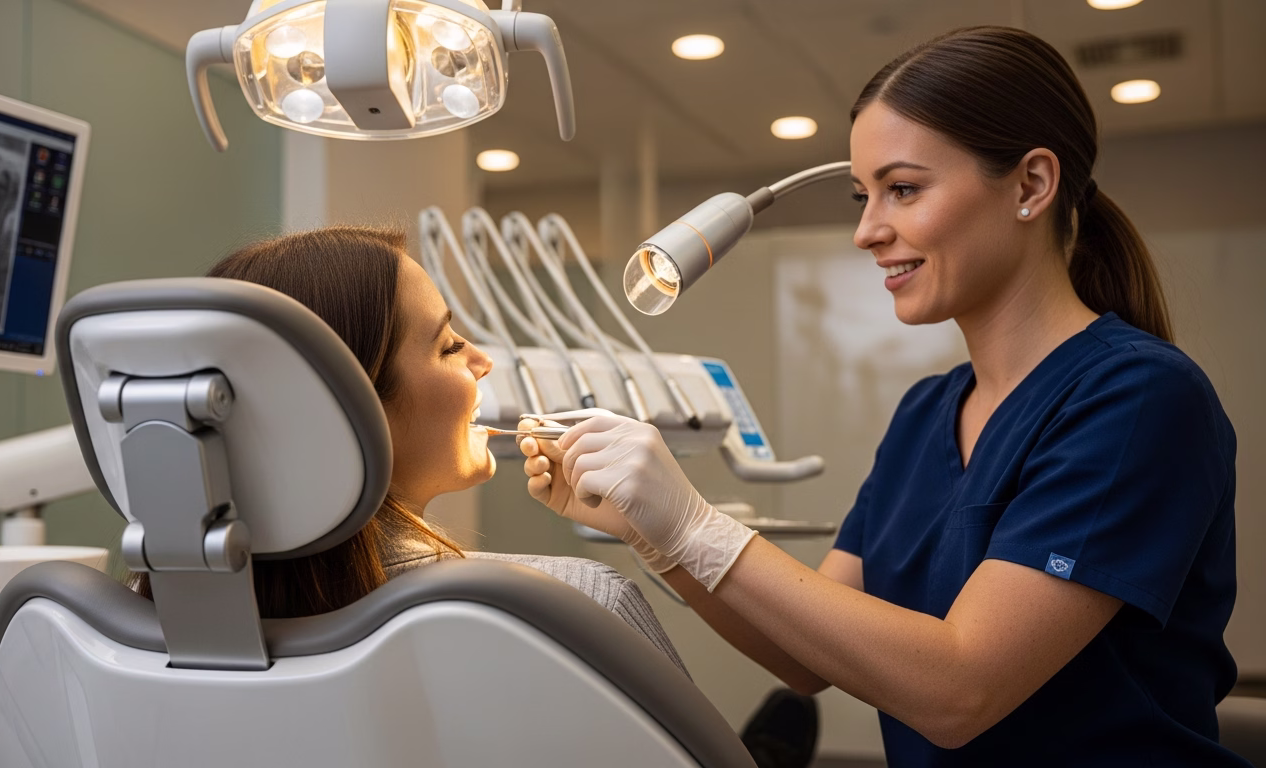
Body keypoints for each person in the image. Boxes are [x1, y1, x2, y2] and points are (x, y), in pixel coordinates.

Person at [520, 26, 1247, 766]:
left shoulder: (1138, 399)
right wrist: (655, 538)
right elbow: (805, 659)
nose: (867, 231)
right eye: (864, 195)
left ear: (1031, 185)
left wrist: (696, 525)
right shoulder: (926, 413)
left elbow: (961, 690)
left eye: (902, 189)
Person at [125, 225, 687, 675]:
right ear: (354, 412)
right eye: (448, 345)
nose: (483, 361)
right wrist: (679, 536)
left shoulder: (132, 631)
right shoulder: (581, 610)